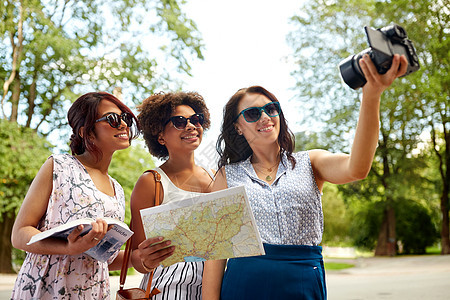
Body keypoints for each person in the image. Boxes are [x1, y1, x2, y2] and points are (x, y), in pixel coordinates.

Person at [202, 54, 408, 299]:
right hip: (243, 285)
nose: (265, 117)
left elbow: (357, 168)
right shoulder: (227, 176)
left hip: (302, 283)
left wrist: (371, 95)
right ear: (237, 126)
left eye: (271, 109)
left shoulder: (311, 162)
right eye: (252, 114)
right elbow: (215, 254)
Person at [10, 92, 139, 299]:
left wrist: (138, 257)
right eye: (113, 119)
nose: (123, 124)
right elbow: (19, 234)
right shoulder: (58, 166)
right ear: (86, 132)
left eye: (125, 118)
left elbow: (103, 258)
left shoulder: (118, 190)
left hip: (92, 292)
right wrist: (68, 247)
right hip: (46, 287)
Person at [130, 91, 214, 299]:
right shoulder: (151, 182)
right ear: (160, 136)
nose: (191, 126)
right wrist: (146, 260)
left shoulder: (215, 177)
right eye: (179, 121)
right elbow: (134, 256)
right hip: (167, 289)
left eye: (196, 119)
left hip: (212, 288)